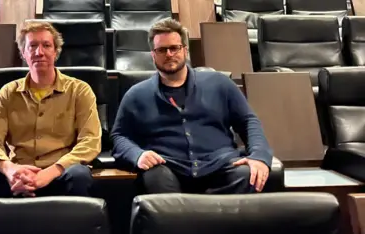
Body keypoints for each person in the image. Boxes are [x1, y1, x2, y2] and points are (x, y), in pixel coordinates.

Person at [111, 18, 273, 194]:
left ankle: (198, 215)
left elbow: (249, 121)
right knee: (154, 179)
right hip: (168, 167)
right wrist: (138, 155)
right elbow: (119, 136)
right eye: (162, 50)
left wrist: (258, 156)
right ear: (153, 54)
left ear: (185, 50)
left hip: (219, 164)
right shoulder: (136, 95)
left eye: (174, 48)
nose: (169, 54)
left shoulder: (220, 83)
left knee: (249, 174)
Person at [0, 21, 101, 198]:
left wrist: (49, 173)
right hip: (16, 174)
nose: (39, 52)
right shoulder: (8, 93)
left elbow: (90, 142)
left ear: (56, 52)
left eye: (46, 45)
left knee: (79, 176)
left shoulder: (80, 91)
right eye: (32, 46)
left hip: (59, 173)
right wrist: (10, 169)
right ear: (23, 53)